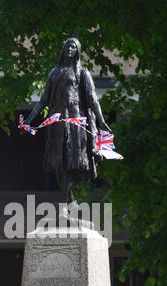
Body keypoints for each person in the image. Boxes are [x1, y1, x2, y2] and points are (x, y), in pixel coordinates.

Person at [24, 37, 110, 204]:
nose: (70, 49)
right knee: (58, 162)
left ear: (77, 51)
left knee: (72, 161)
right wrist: (29, 120)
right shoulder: (54, 73)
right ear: (63, 49)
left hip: (75, 120)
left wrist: (101, 120)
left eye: (73, 47)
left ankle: (68, 201)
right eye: (67, 46)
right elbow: (43, 100)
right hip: (57, 121)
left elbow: (92, 99)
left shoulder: (82, 72)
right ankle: (69, 200)